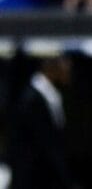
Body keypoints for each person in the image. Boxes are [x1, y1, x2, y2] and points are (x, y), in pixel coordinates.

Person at [6, 57, 75, 188]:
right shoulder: (32, 99)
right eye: (66, 68)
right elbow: (44, 143)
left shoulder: (50, 96)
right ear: (52, 69)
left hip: (44, 175)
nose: (69, 73)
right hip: (34, 177)